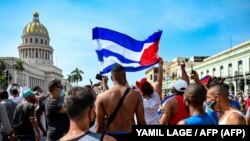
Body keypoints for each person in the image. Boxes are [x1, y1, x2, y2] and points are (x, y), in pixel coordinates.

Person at [95, 63, 146, 141]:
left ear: (112, 78)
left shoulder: (101, 97)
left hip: (111, 137)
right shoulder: (136, 95)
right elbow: (141, 122)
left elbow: (99, 127)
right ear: (125, 76)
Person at [135, 57, 163, 125]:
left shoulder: (139, 99)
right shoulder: (156, 96)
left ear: (141, 90)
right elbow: (159, 81)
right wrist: (160, 65)